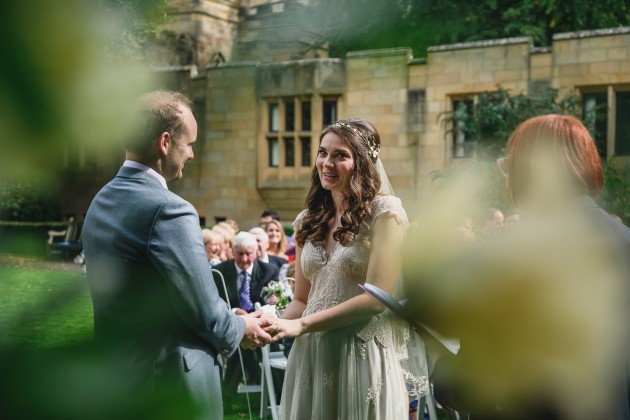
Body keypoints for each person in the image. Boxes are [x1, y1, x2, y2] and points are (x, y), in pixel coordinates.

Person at [407, 114, 630, 419]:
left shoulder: (519, 254)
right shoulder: (624, 239)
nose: (507, 178)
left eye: (508, 167)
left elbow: (469, 383)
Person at [82, 90, 274, 419]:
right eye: (190, 144)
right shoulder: (170, 210)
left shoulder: (101, 200)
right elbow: (204, 313)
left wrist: (233, 316)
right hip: (167, 386)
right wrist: (242, 329)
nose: (192, 155)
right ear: (165, 142)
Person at [270, 118, 429, 419]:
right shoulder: (308, 219)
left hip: (360, 351)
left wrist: (302, 324)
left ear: (363, 162)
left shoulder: (385, 214)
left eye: (340, 155)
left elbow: (376, 299)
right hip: (313, 354)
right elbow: (302, 300)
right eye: (322, 152)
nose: (326, 163)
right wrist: (271, 322)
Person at [212, 231, 280, 397]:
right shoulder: (219, 271)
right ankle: (263, 387)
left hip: (263, 323)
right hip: (233, 323)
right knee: (241, 336)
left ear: (256, 252)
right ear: (233, 251)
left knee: (250, 338)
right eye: (240, 254)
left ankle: (230, 393)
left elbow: (275, 301)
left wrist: (257, 314)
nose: (244, 259)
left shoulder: (269, 271)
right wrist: (236, 312)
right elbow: (215, 301)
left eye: (248, 254)